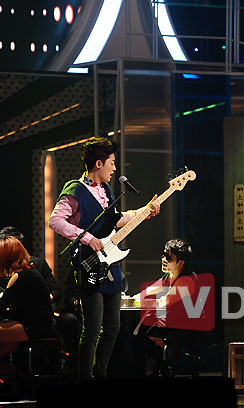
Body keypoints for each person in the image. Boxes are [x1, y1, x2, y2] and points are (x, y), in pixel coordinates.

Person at [49, 137, 160, 381]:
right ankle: (84, 378)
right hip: (89, 265)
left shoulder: (107, 190)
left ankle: (100, 376)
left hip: (111, 265)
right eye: (112, 162)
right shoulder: (75, 190)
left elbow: (116, 219)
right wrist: (87, 237)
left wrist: (144, 212)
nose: (115, 168)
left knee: (112, 329)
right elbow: (55, 221)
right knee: (92, 329)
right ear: (98, 163)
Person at [138, 238, 200, 376]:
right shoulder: (169, 276)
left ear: (181, 262)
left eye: (169, 257)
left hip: (188, 328)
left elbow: (164, 302)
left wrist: (147, 302)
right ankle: (159, 367)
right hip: (172, 325)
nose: (164, 259)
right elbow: (146, 293)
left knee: (143, 331)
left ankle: (168, 369)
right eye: (163, 255)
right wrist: (133, 299)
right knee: (140, 328)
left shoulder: (187, 280)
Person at [0, 236, 55, 378]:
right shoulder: (29, 271)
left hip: (36, 328)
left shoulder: (19, 275)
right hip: (40, 325)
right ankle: (18, 378)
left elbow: (1, 307)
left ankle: (17, 377)